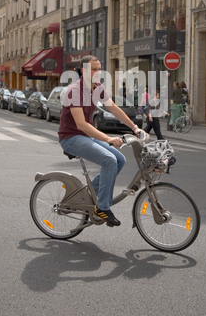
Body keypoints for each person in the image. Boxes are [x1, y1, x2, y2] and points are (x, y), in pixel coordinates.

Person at [58, 55, 144, 228]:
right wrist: (108, 139)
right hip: (71, 137)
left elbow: (113, 107)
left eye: (99, 68)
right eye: (94, 69)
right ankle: (102, 207)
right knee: (109, 160)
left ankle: (87, 195)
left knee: (120, 160)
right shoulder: (74, 90)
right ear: (84, 70)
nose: (98, 72)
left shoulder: (97, 87)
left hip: (85, 136)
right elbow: (81, 124)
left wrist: (135, 128)